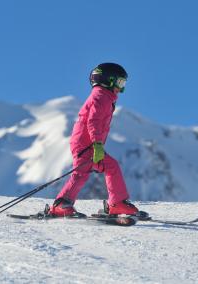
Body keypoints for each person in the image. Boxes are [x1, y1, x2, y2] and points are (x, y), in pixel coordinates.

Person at [49, 63, 139, 216]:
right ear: (108, 80)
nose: (121, 88)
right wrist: (97, 144)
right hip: (86, 144)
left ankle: (114, 204)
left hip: (88, 144)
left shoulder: (104, 97)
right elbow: (93, 121)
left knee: (97, 170)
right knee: (96, 170)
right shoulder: (100, 97)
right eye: (120, 83)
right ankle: (63, 205)